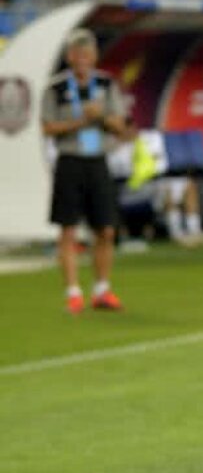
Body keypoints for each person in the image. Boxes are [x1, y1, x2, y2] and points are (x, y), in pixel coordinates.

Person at [41, 28, 128, 314]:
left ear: (94, 56)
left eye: (87, 53)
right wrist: (79, 122)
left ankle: (102, 289)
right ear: (69, 57)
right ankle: (73, 292)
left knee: (106, 229)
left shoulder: (105, 84)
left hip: (97, 159)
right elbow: (46, 128)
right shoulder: (56, 88)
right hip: (69, 160)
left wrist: (100, 116)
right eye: (77, 53)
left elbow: (121, 126)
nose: (82, 58)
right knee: (68, 229)